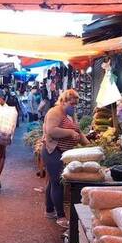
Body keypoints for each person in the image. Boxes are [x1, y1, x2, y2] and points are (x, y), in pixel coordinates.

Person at [42, 89, 89, 228]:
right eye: (71, 104)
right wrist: (69, 132)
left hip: (64, 153)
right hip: (53, 151)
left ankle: (49, 210)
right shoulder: (54, 112)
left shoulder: (70, 115)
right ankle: (61, 216)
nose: (73, 106)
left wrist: (88, 144)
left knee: (53, 181)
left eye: (75, 104)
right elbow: (51, 130)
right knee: (58, 182)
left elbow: (77, 131)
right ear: (63, 101)